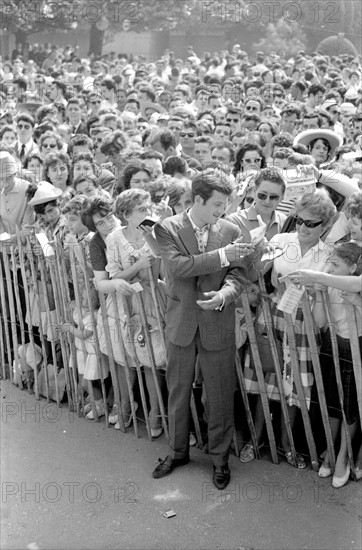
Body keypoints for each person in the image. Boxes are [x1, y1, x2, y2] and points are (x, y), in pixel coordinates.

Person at [152, 169, 254, 490]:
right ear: (197, 199)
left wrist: (224, 295)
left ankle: (220, 460)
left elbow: (239, 276)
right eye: (217, 205)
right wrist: (223, 254)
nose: (222, 211)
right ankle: (178, 452)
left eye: (225, 205)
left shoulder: (229, 228)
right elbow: (179, 267)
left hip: (217, 322)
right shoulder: (166, 227)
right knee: (179, 392)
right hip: (182, 324)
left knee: (220, 394)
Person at [241, 188, 336, 468]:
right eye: (300, 220)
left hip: (305, 326)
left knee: (296, 389)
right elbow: (256, 274)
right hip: (272, 317)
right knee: (263, 380)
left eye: (311, 223)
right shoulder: (281, 240)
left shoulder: (329, 255)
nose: (304, 227)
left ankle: (287, 444)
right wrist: (262, 261)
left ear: (326, 224)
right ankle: (255, 439)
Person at [106, 189, 167, 437]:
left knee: (155, 359)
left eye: (148, 208)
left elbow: (164, 272)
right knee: (131, 356)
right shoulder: (114, 238)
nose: (147, 213)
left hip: (154, 300)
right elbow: (114, 276)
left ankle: (157, 413)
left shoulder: (156, 232)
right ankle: (128, 406)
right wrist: (139, 265)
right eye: (142, 210)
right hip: (129, 302)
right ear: (126, 214)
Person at [308, 242, 362, 487]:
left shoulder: (357, 286)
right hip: (333, 344)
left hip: (356, 348)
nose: (330, 267)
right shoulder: (329, 285)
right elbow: (320, 322)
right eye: (330, 262)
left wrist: (359, 302)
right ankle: (330, 450)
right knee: (331, 401)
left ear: (352, 268)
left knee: (349, 406)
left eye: (336, 264)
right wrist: (319, 295)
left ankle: (343, 456)